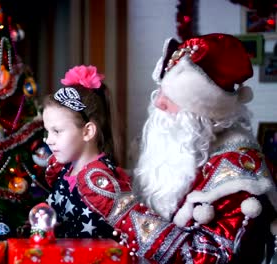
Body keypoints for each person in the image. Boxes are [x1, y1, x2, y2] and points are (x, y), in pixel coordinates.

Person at [108, 33, 277, 263]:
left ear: (205, 113)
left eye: (172, 96)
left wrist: (125, 212)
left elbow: (205, 257)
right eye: (160, 89)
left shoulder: (239, 180)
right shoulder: (190, 149)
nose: (158, 102)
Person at [42, 65, 131, 239]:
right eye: (47, 131)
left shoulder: (101, 182)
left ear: (88, 131)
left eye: (57, 131)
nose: (48, 140)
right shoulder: (62, 170)